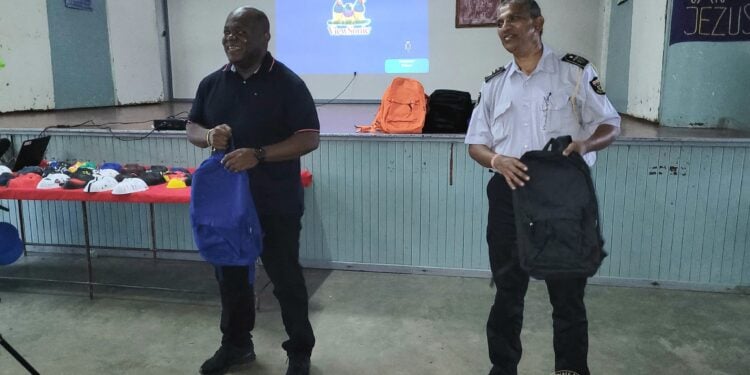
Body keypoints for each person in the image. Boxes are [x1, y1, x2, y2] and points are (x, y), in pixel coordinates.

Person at [464, 1, 621, 374]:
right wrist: (495, 160)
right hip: (508, 194)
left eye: (513, 18)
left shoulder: (574, 72)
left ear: (538, 22)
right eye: (499, 22)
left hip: (561, 200)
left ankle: (569, 369)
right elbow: (475, 143)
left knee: (567, 295)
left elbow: (610, 123)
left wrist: (585, 144)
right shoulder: (494, 84)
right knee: (507, 291)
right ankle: (503, 367)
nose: (505, 27)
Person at [186, 7, 319, 375]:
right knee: (230, 277)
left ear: (265, 37)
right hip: (228, 205)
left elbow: (309, 139)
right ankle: (237, 345)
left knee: (285, 278)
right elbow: (193, 126)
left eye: (241, 32)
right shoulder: (212, 83)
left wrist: (258, 155)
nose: (231, 38)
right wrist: (209, 136)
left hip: (275, 200)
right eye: (227, 32)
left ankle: (299, 351)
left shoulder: (289, 84)